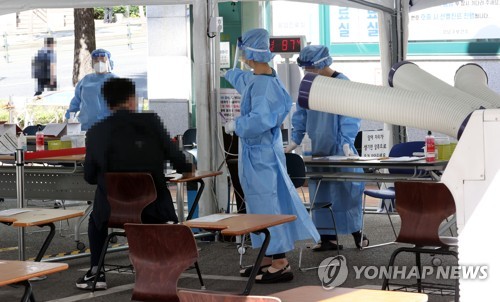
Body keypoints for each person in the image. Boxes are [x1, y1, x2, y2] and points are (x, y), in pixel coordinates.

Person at [76, 78, 192, 290]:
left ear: (107, 103)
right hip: (153, 210)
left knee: (96, 216)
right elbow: (177, 159)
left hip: (113, 212)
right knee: (151, 199)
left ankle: (96, 272)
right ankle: (158, 267)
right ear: (132, 100)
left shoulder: (95, 132)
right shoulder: (151, 122)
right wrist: (187, 168)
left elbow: (90, 176)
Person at [224, 28, 319, 284]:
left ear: (250, 53)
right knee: (257, 207)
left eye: (243, 50)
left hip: (262, 157)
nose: (240, 54)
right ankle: (266, 258)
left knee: (267, 208)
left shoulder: (266, 86)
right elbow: (245, 81)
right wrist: (227, 71)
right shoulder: (259, 77)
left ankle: (280, 262)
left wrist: (238, 125)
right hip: (256, 156)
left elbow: (261, 119)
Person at [286, 45, 369, 251]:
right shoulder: (309, 84)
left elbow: (350, 115)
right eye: (305, 69)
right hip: (318, 150)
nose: (309, 73)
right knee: (320, 195)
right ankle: (327, 239)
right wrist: (295, 139)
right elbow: (301, 113)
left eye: (312, 68)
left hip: (341, 150)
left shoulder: (342, 84)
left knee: (346, 193)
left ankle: (358, 234)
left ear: (324, 63)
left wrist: (347, 143)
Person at [65, 49, 117, 131]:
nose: (99, 61)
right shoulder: (86, 80)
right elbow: (76, 102)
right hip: (85, 127)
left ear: (109, 62)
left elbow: (123, 105)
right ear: (92, 63)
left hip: (108, 127)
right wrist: (68, 117)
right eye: (96, 60)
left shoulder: (115, 80)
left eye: (102, 58)